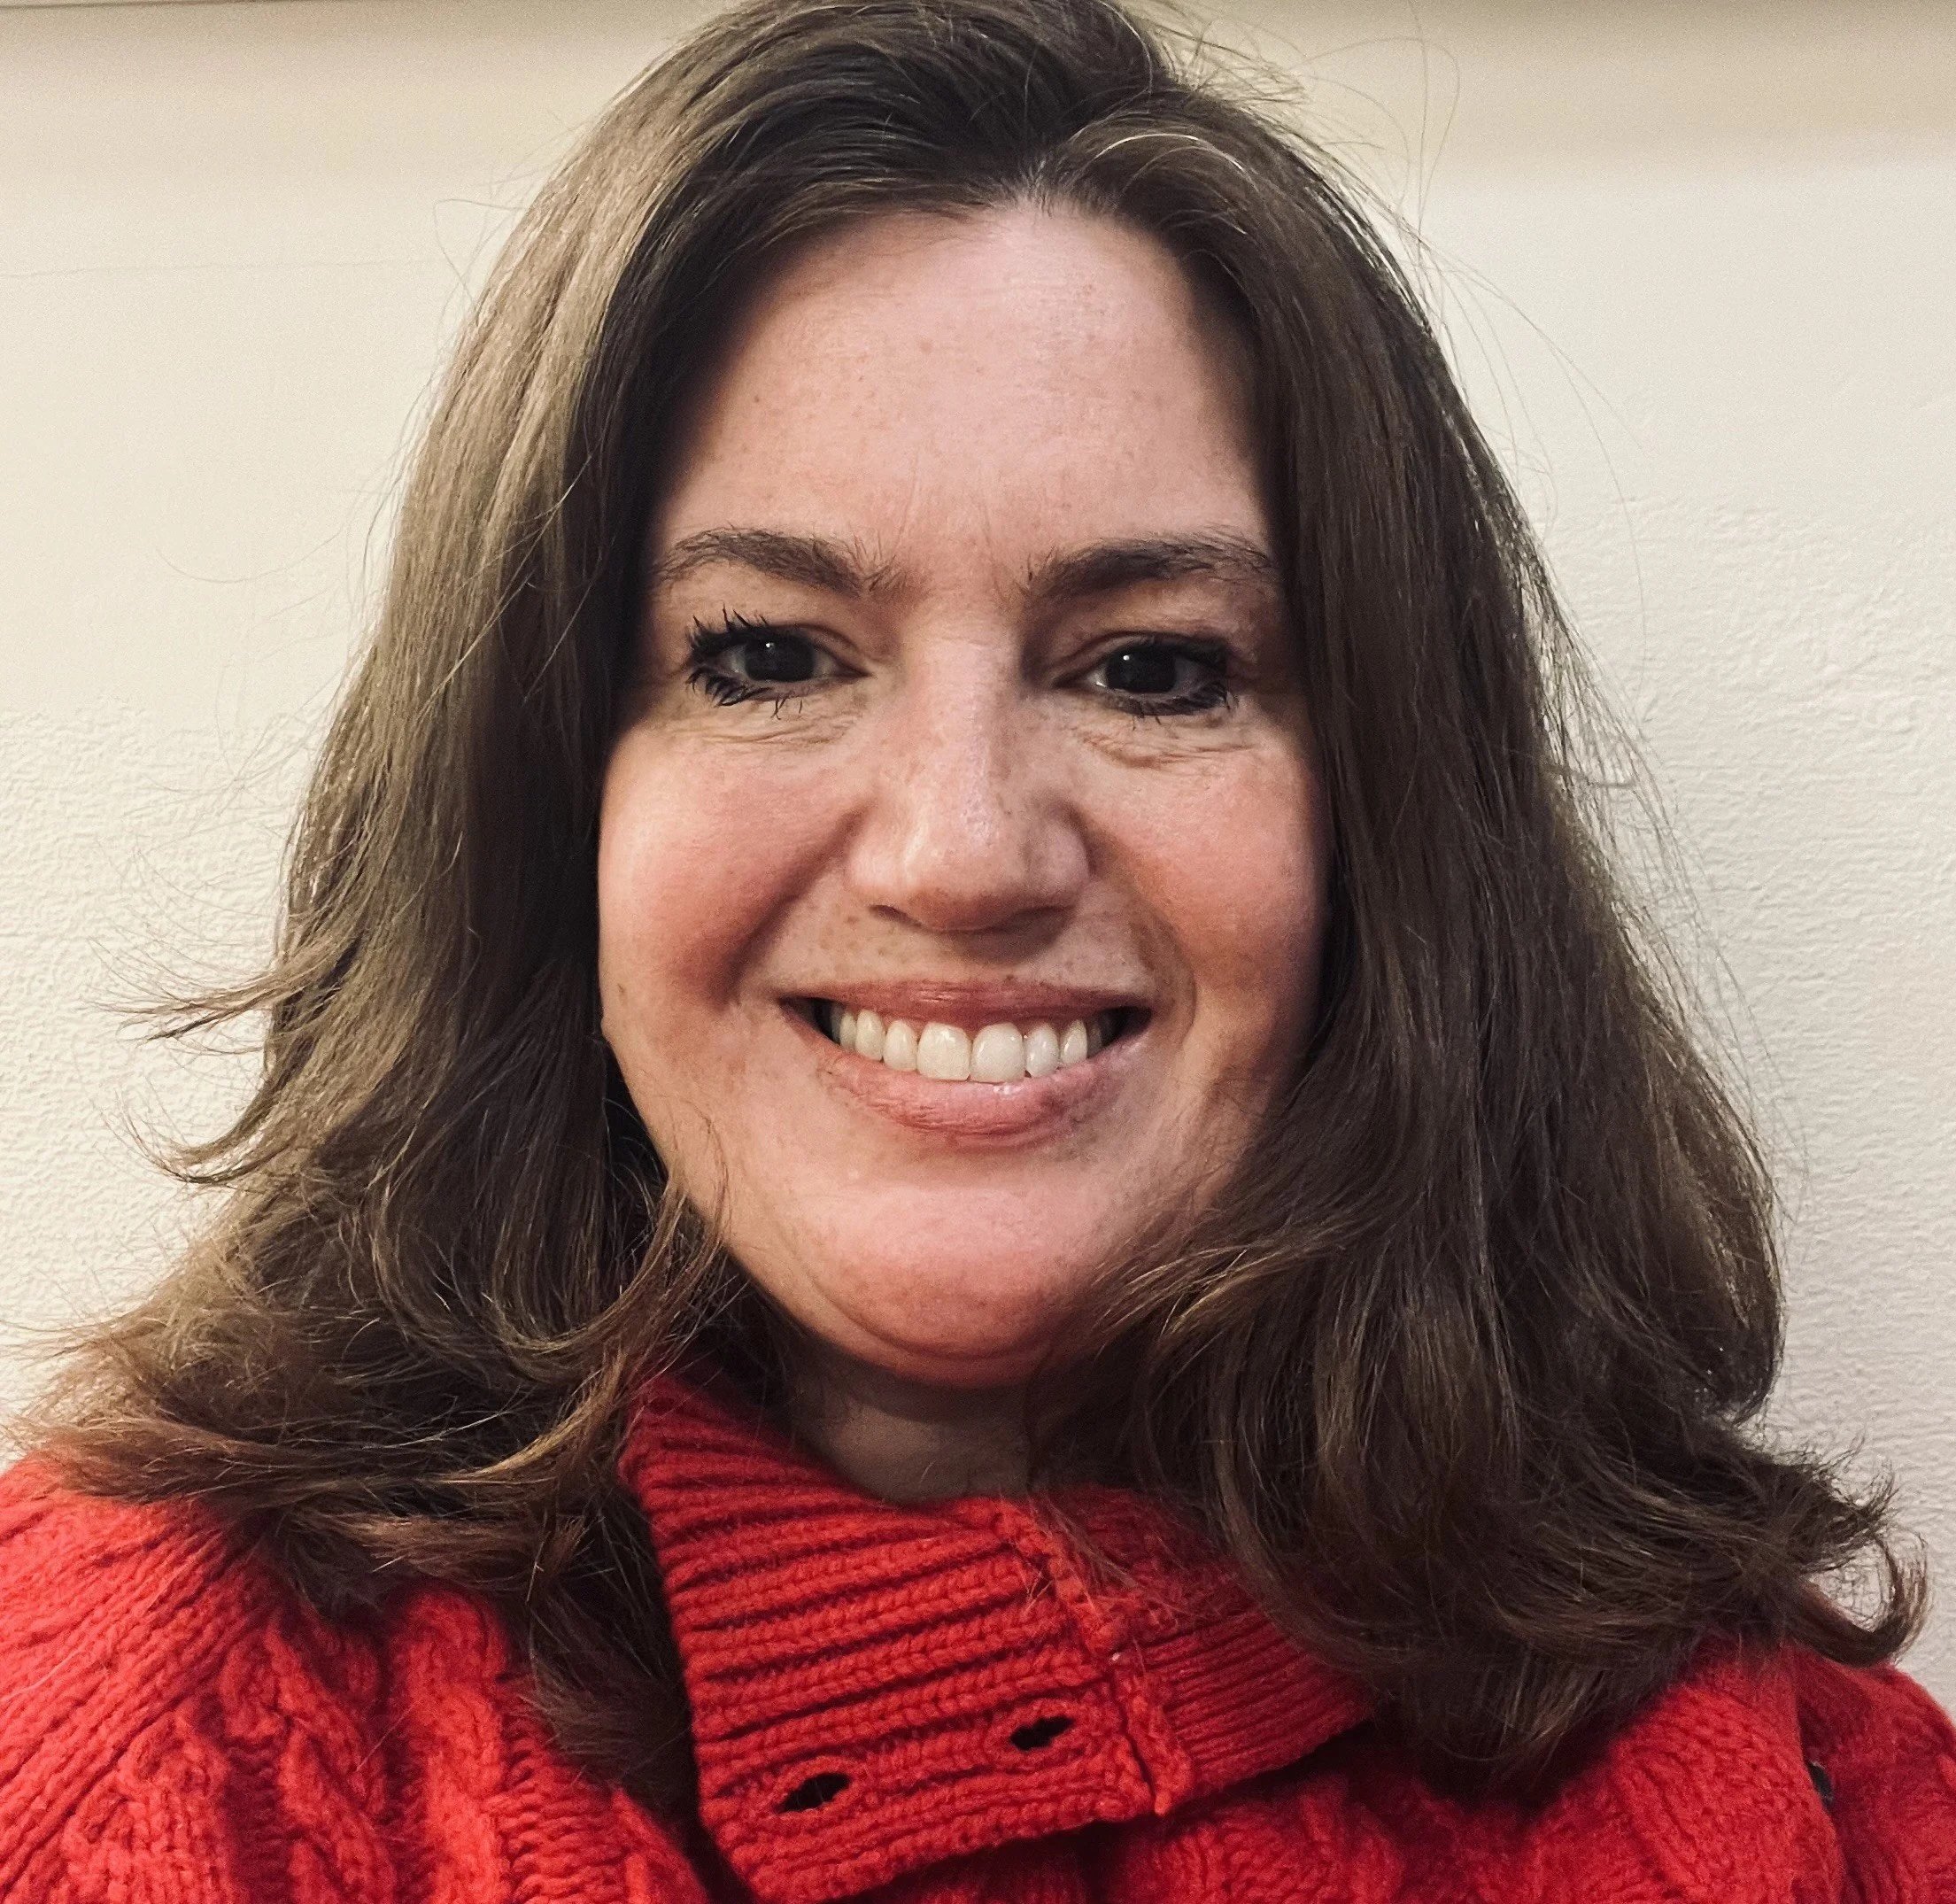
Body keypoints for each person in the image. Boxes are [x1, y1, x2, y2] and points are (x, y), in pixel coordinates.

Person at [3, 0, 1951, 1896]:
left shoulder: (1834, 1815)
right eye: (767, 655)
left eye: (1154, 668)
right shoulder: (89, 1745)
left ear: (1387, 820)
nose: (959, 853)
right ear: (535, 801)